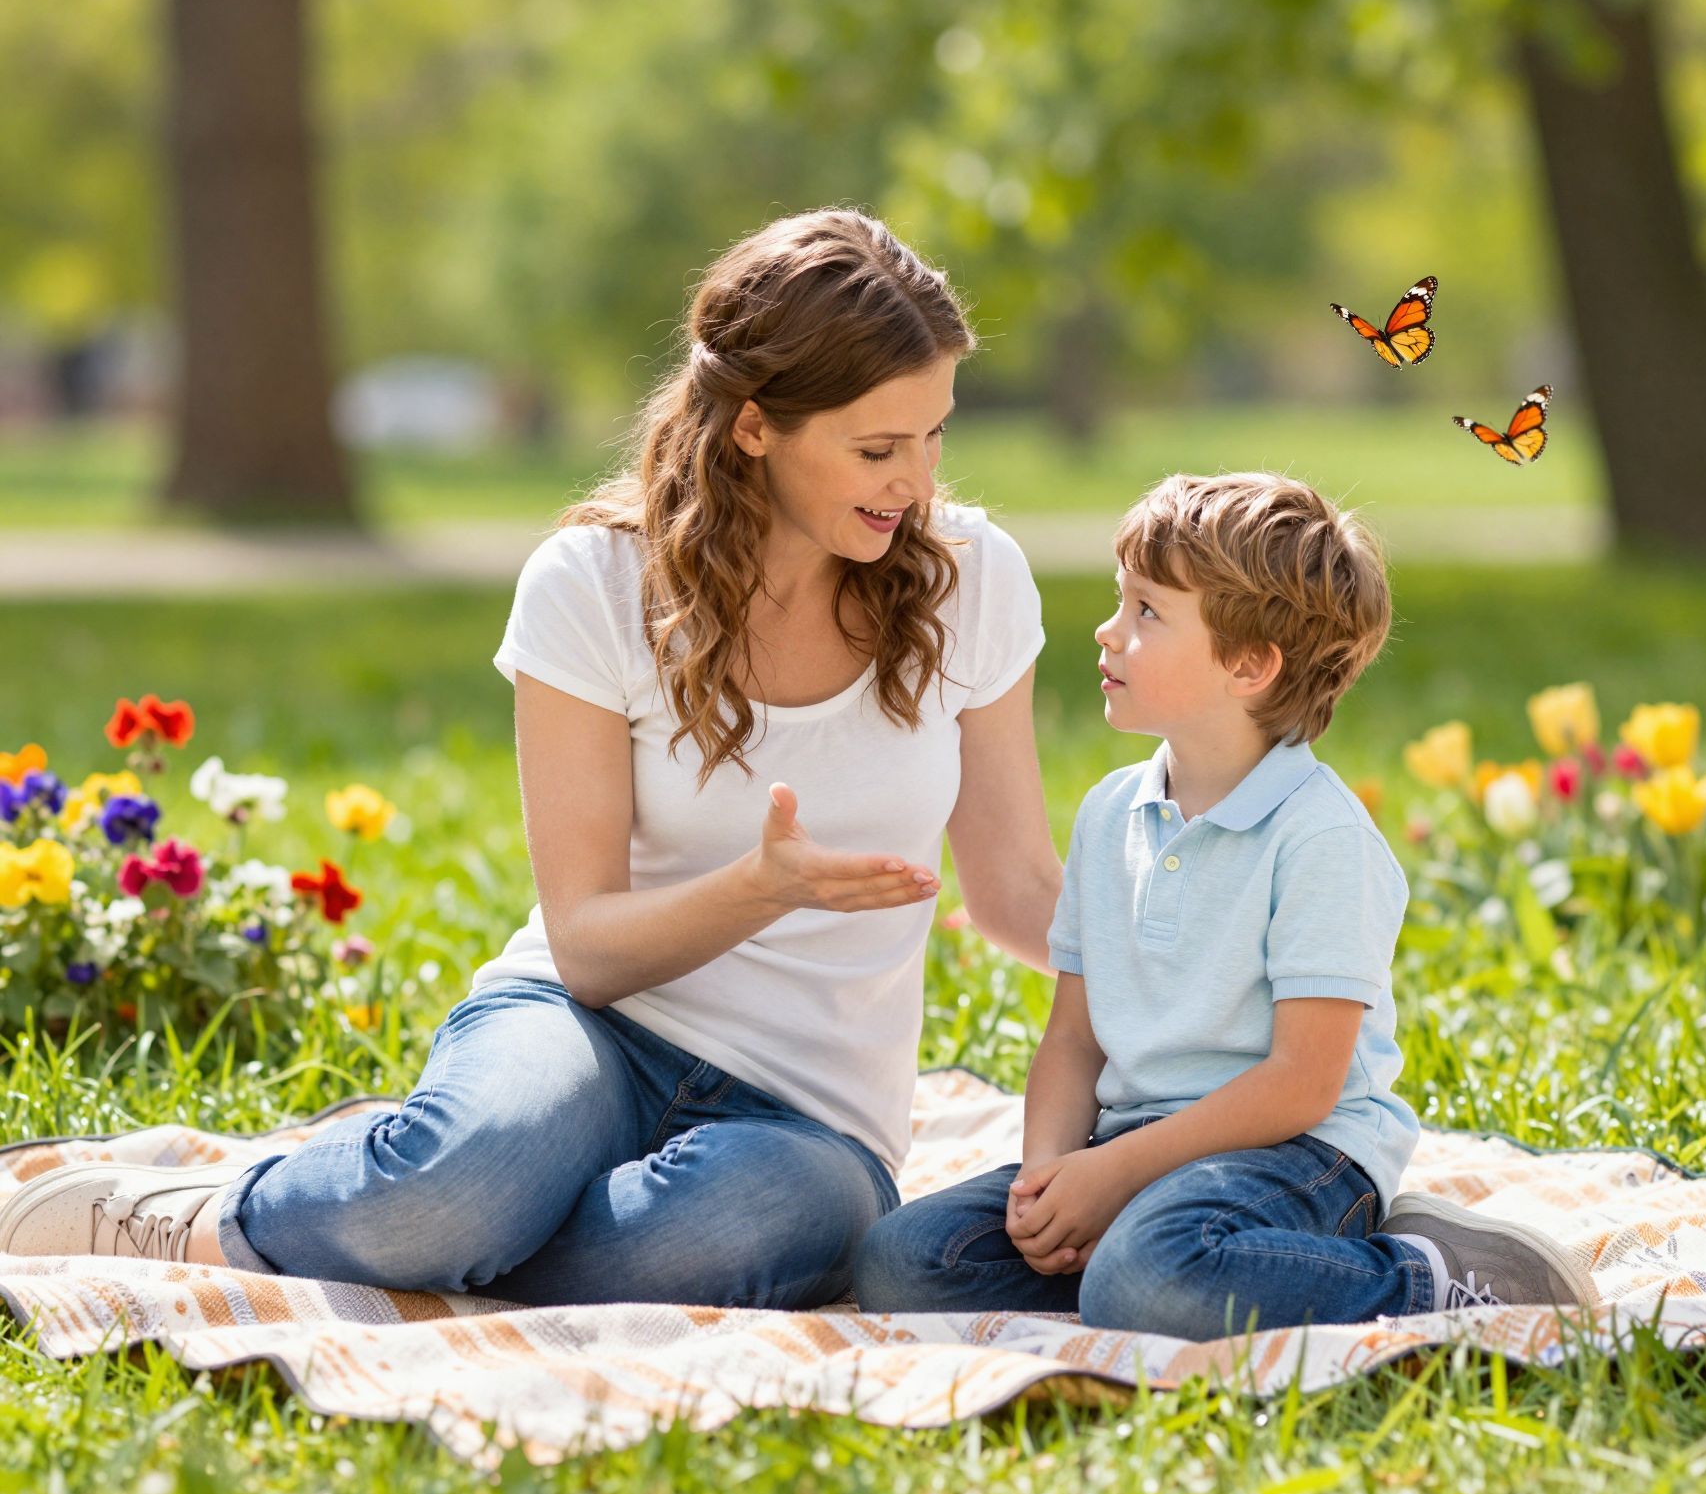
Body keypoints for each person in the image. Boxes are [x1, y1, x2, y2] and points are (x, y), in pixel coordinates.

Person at [0, 209, 1062, 1309]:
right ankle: (221, 1218)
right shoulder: (593, 585)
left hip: (808, 1116)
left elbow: (1015, 890)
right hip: (586, 1028)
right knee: (451, 1190)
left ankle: (421, 1215)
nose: (917, 484)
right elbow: (590, 948)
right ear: (754, 427)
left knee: (741, 1229)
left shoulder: (969, 581)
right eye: (877, 449)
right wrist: (760, 889)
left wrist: (1202, 978)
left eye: (934, 436)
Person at [853, 472, 1598, 1339]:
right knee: (903, 1261)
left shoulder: (1319, 837)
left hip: (1297, 1151)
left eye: (1147, 612)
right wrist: (1052, 1178)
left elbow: (1302, 1084)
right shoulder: (1107, 814)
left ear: (1249, 665)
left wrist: (1119, 1174)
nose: (1108, 630)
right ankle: (1168, 1271)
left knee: (1147, 1280)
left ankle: (1434, 1275)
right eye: (1119, 601)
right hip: (1134, 1145)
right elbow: (1073, 1037)